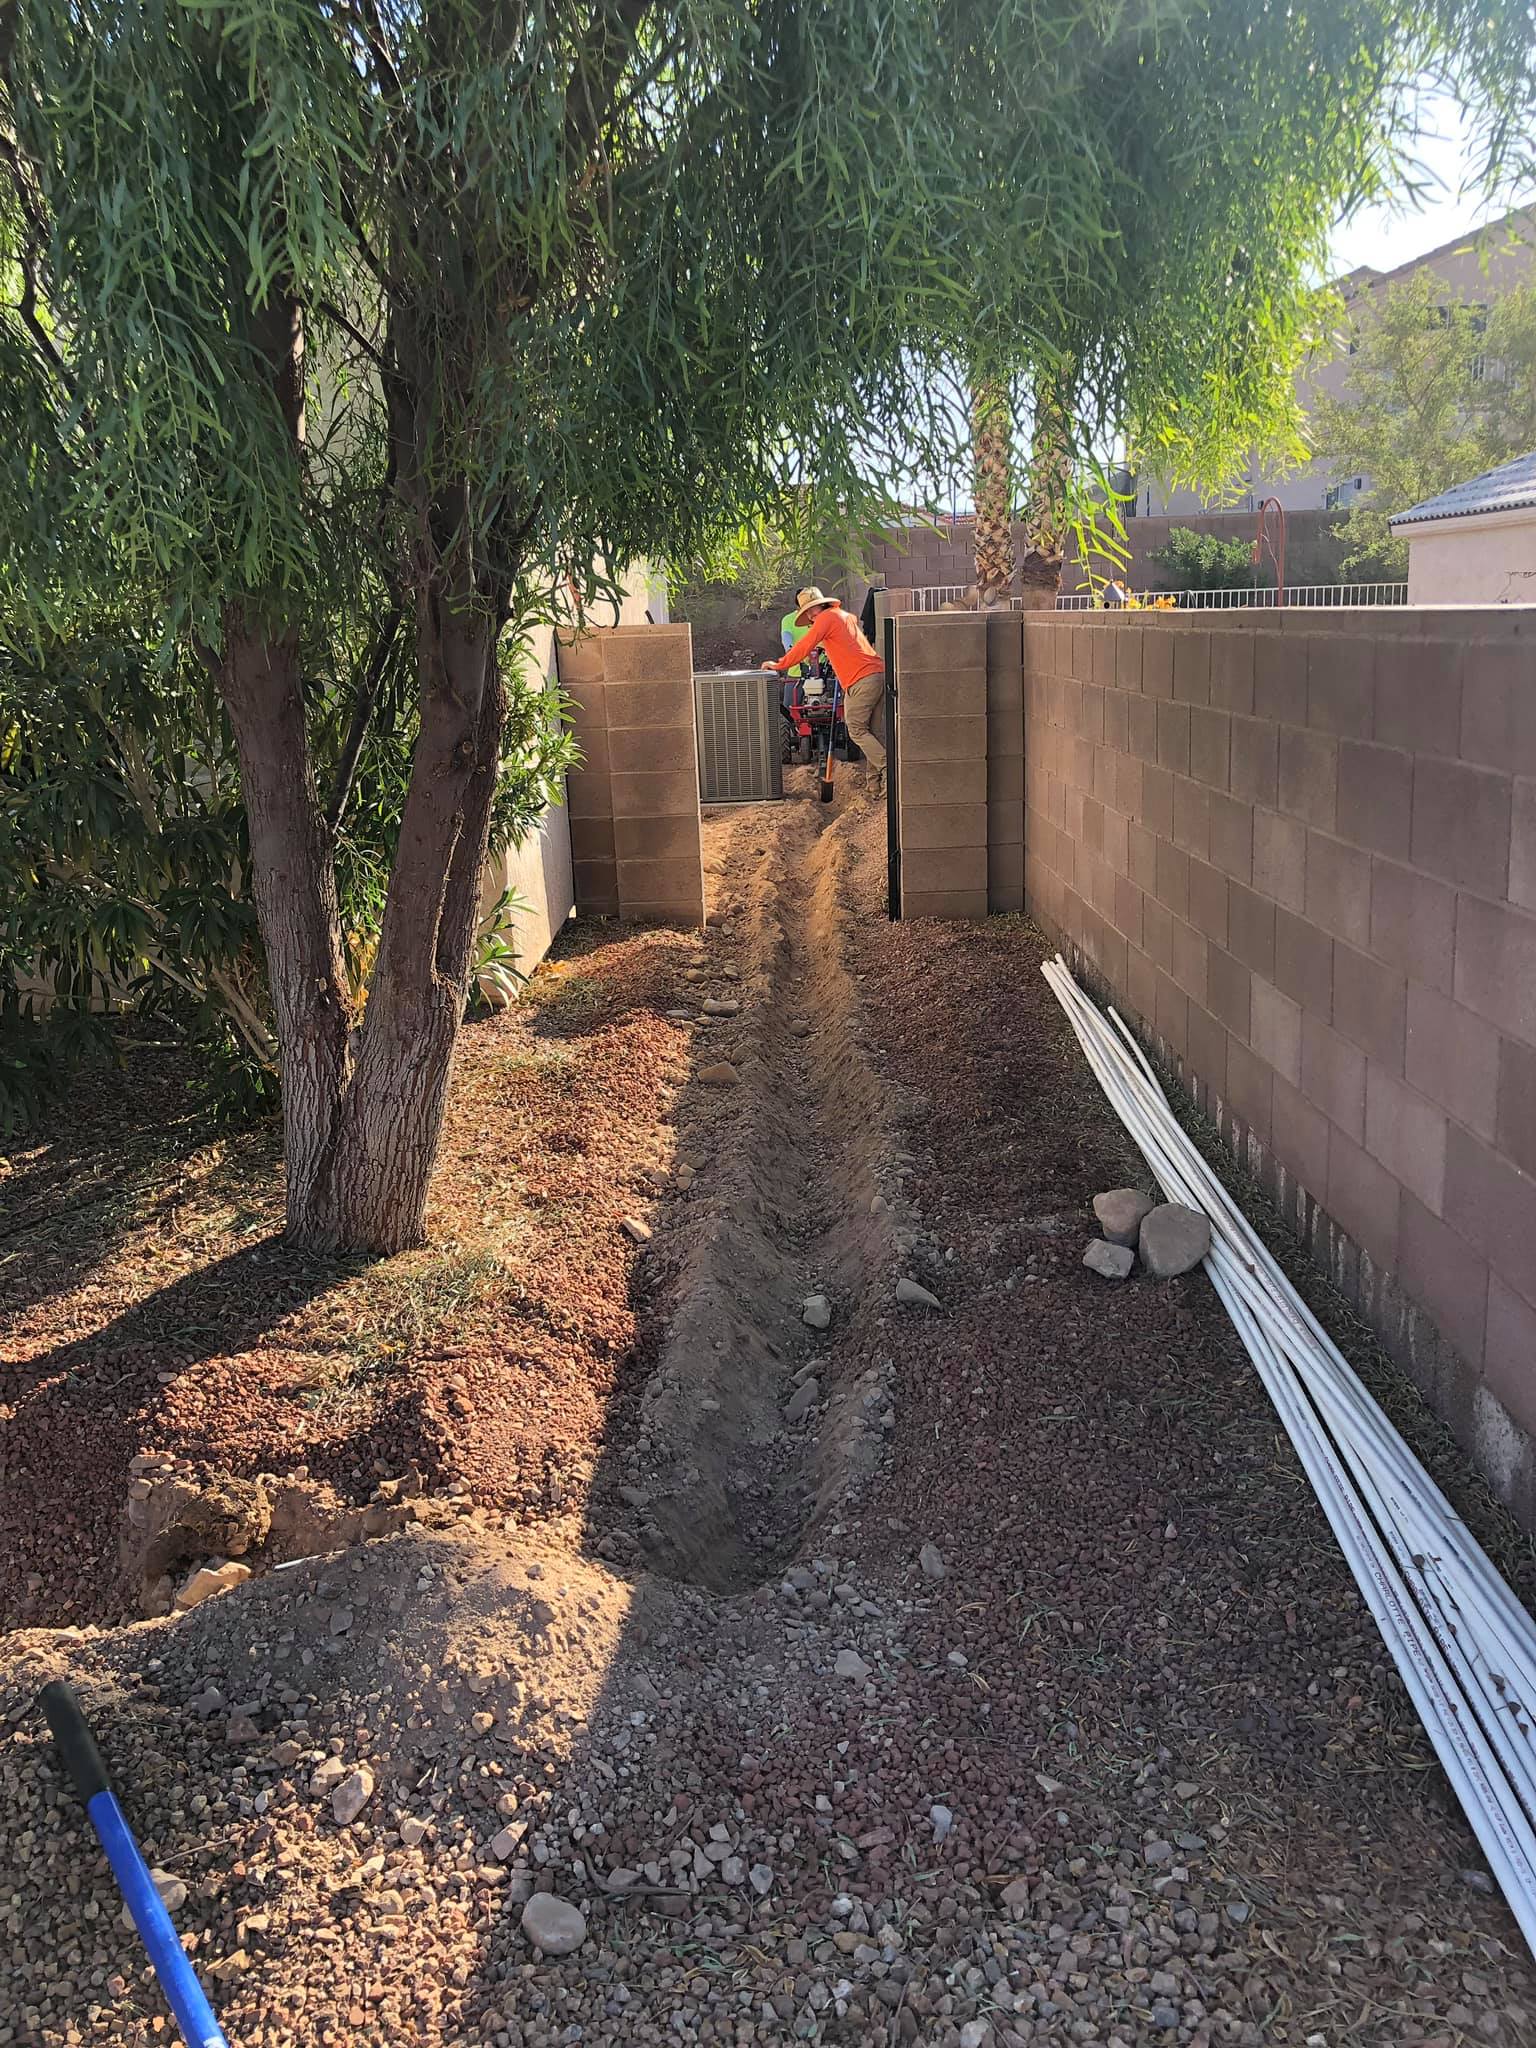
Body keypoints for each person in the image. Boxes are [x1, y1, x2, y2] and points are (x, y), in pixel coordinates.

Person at [764, 586, 886, 792]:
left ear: (812, 610)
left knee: (856, 730)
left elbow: (803, 646)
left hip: (860, 680)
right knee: (869, 734)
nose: (810, 619)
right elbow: (838, 642)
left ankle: (890, 770)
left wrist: (778, 665)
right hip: (876, 674)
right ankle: (874, 786)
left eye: (809, 614)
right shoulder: (843, 616)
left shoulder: (825, 619)